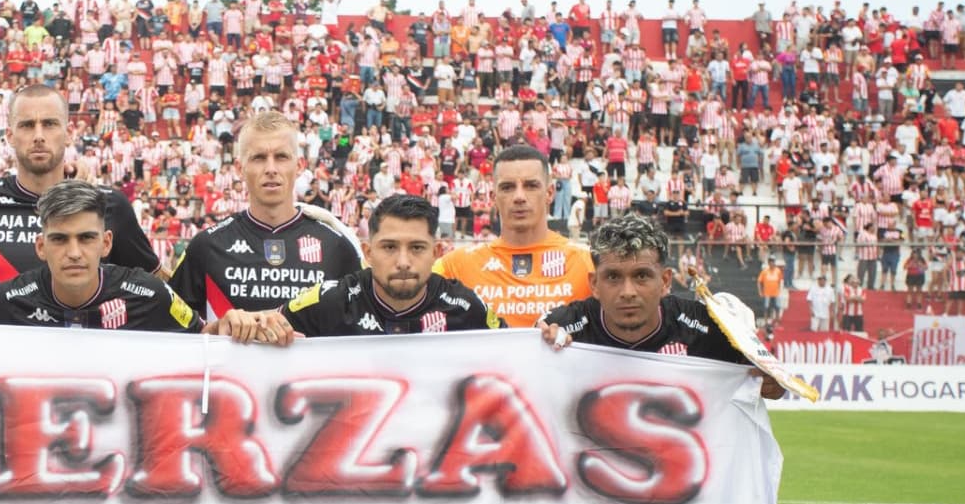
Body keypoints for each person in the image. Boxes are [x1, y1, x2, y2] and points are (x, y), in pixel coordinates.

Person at [0, 85, 162, 309]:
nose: (38, 136)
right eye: (26, 125)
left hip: (84, 354)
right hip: (7, 355)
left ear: (68, 133)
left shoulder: (109, 205)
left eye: (49, 124)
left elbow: (164, 293)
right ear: (10, 136)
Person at [540, 214, 785, 398]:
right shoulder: (564, 326)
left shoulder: (706, 326)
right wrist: (542, 349)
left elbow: (774, 386)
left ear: (665, 280)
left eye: (642, 276)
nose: (628, 292)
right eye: (613, 277)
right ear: (594, 284)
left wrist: (767, 381)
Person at [218, 194, 499, 342]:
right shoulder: (329, 302)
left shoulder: (466, 307)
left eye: (417, 247)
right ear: (368, 253)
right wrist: (237, 323)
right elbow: (261, 328)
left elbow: (518, 353)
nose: (403, 261)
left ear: (437, 252)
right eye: (389, 247)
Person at [167, 110, 364, 322]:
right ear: (239, 168)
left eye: (281, 157)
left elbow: (363, 332)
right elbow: (173, 332)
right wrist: (216, 328)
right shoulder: (206, 246)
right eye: (259, 158)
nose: (271, 169)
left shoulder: (337, 247)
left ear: (299, 166)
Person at [0, 179, 198, 331]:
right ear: (41, 247)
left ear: (106, 244)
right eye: (59, 239)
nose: (74, 253)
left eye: (86, 238)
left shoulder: (151, 294)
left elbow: (205, 340)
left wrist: (227, 325)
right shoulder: (5, 301)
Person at [436, 145, 596, 326]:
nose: (519, 196)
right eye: (507, 187)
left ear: (549, 193)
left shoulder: (589, 263)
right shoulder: (454, 266)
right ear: (494, 196)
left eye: (531, 186)